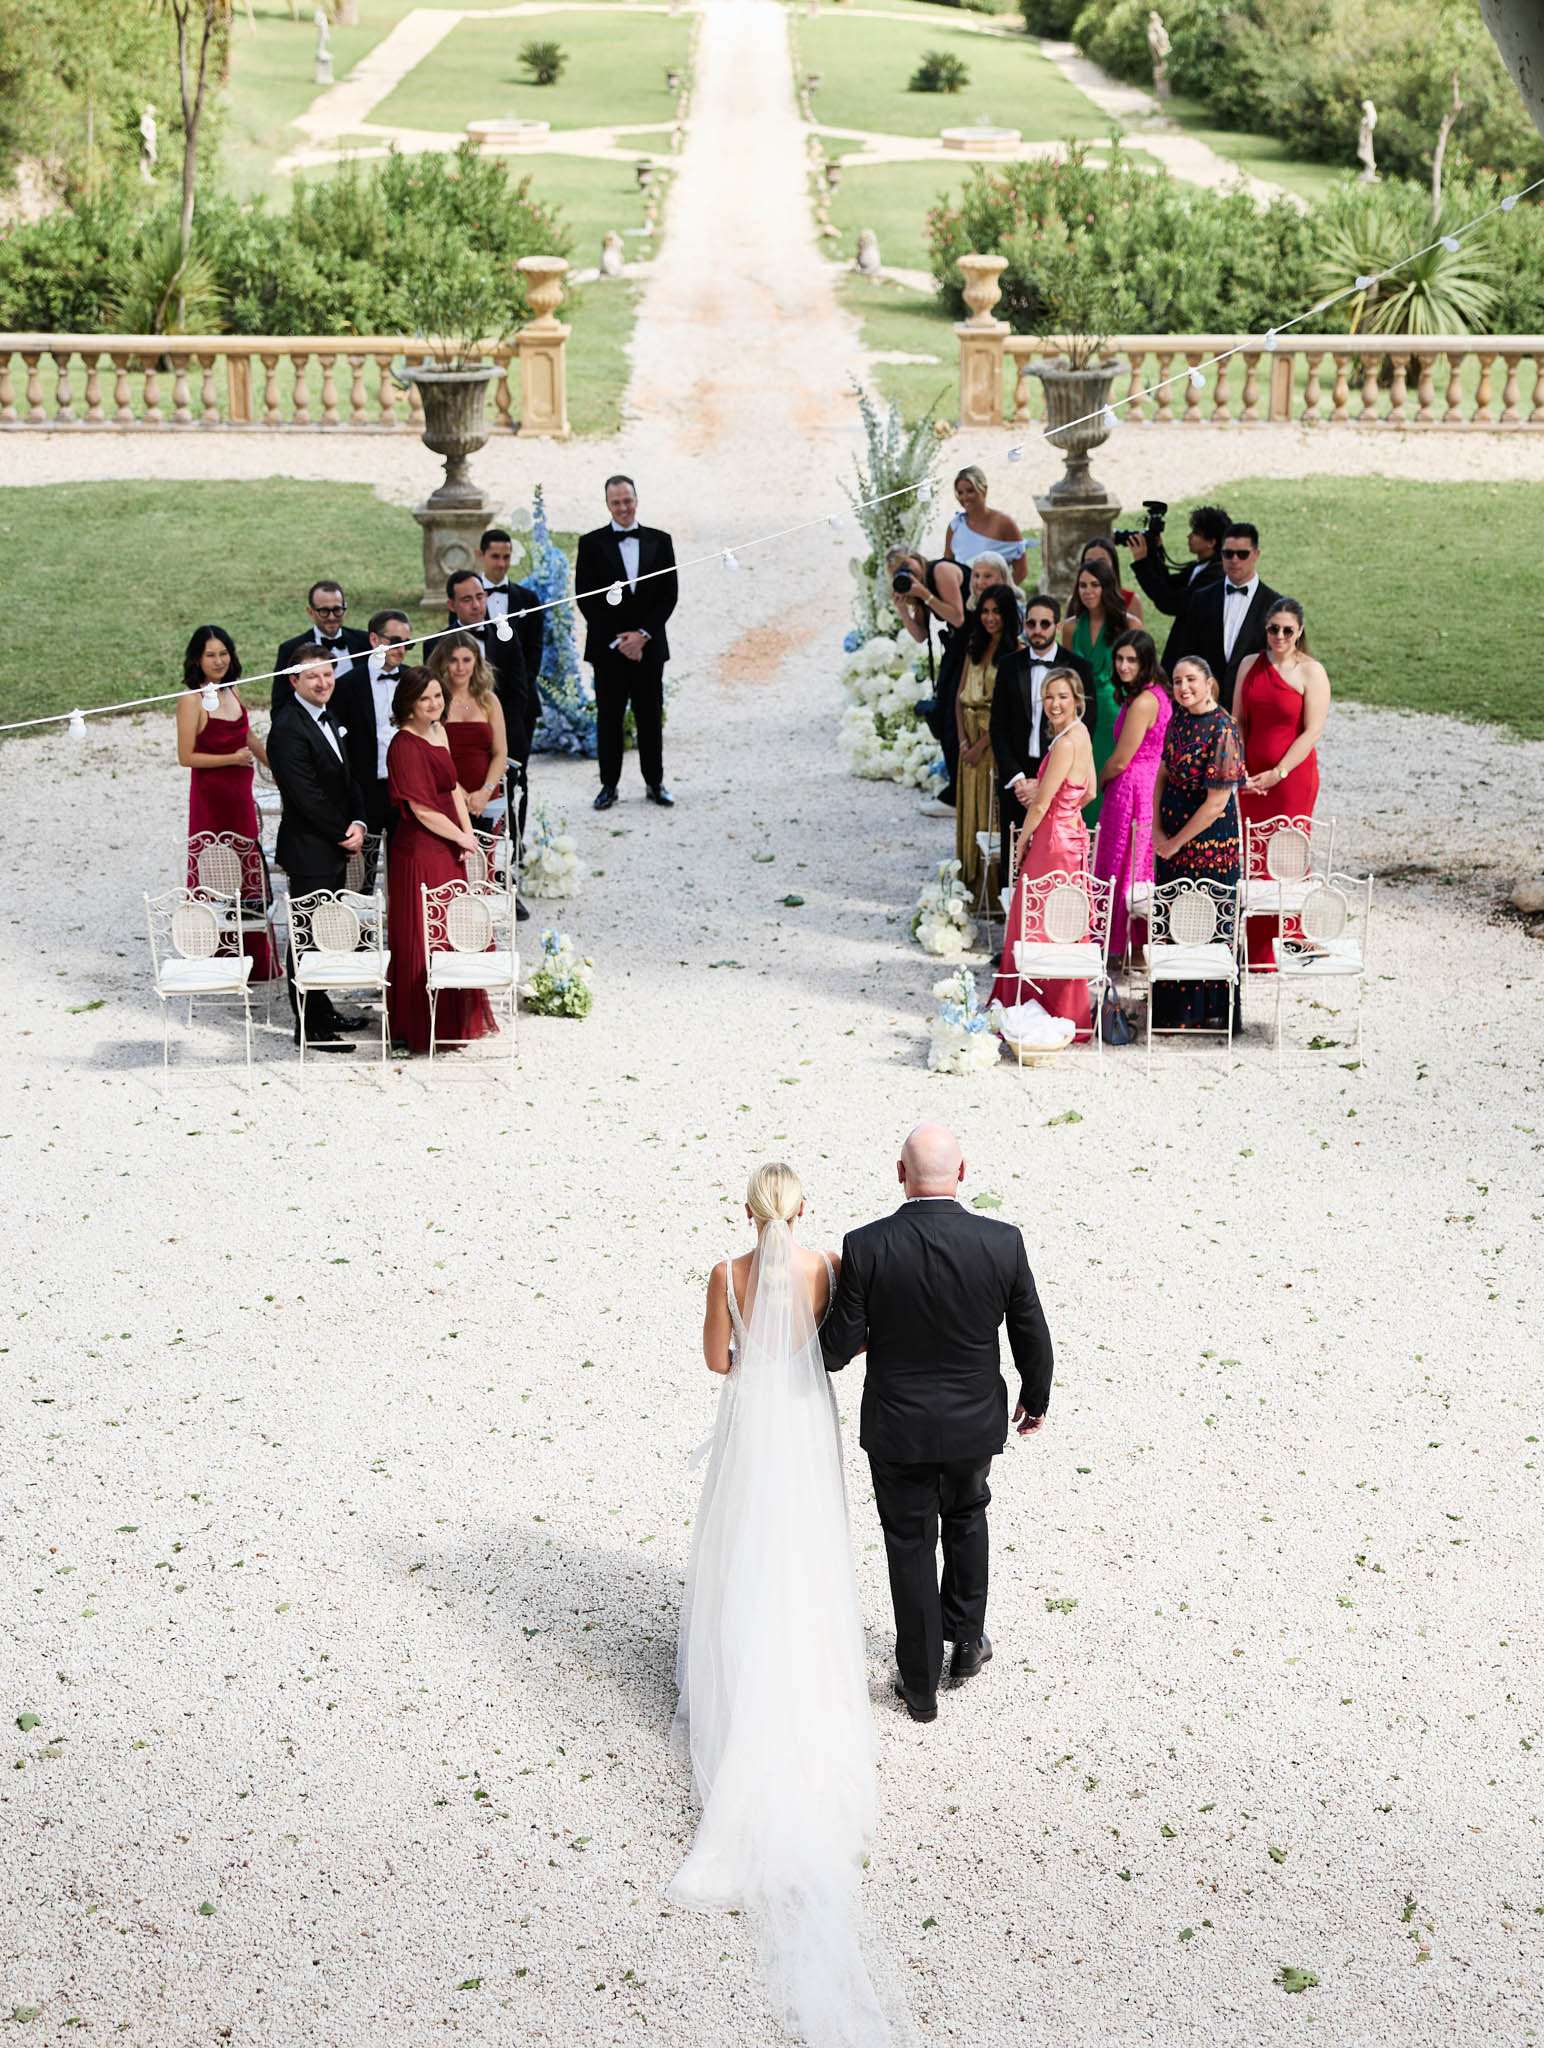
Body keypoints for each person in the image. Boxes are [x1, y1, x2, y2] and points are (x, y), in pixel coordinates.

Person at [672, 1164, 893, 2046]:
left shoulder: (725, 1274)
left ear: (744, 1210)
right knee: (807, 1545)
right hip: (803, 1416)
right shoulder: (827, 1269)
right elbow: (844, 1344)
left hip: (754, 1418)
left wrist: (750, 1347)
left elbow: (717, 1361)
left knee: (745, 1545)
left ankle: (739, 1673)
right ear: (802, 1211)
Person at [822, 1124, 1054, 1723]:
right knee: (968, 1515)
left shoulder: (866, 1245)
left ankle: (920, 1683)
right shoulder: (1001, 1242)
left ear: (900, 1174)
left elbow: (838, 1346)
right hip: (974, 1420)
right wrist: (1035, 1397)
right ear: (963, 1172)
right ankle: (967, 1642)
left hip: (898, 1426)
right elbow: (1030, 1328)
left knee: (909, 1542)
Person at [384, 666, 497, 1057]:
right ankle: (418, 1026)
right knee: (421, 932)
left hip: (448, 845)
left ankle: (454, 1022)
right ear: (409, 704)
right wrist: (458, 836)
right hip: (419, 850)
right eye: (425, 698)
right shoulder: (402, 744)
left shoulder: (440, 731)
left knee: (452, 928)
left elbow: (451, 792)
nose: (434, 703)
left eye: (437, 696)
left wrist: (468, 835)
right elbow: (420, 809)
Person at [266, 655, 369, 1053]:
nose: (323, 682)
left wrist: (358, 820)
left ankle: (322, 1010)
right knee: (306, 937)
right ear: (294, 681)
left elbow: (348, 777)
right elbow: (304, 794)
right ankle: (308, 1026)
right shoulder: (287, 728)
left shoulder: (328, 714)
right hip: (309, 849)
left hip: (333, 843)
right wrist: (342, 834)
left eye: (328, 674)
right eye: (313, 677)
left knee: (323, 933)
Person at [989, 669, 1096, 1037]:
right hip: (1072, 837)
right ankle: (1067, 1011)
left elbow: (1039, 803)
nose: (1054, 704)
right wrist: (1069, 813)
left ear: (1077, 699)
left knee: (1032, 920)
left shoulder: (1065, 744)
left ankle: (1028, 1006)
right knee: (1064, 923)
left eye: (1062, 696)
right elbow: (1090, 792)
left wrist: (1022, 842)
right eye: (1049, 697)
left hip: (1051, 842)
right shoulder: (1081, 734)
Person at [1150, 655, 1246, 1030]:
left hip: (1210, 843)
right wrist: (1157, 829)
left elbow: (1216, 803)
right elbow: (1162, 773)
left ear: (1208, 683)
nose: (1183, 687)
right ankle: (1174, 1011)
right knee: (1174, 918)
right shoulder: (1179, 719)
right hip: (1170, 836)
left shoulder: (1223, 729)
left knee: (1207, 919)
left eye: (1191, 679)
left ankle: (1210, 1011)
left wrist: (1176, 842)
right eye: (1177, 681)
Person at [574, 475, 679, 811]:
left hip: (649, 647)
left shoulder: (660, 541)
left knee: (650, 717)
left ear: (636, 499)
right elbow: (586, 598)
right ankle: (609, 785)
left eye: (627, 500)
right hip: (609, 649)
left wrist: (643, 635)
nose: (623, 508)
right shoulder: (591, 544)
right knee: (609, 719)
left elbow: (669, 595)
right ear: (607, 504)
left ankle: (655, 781)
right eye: (616, 502)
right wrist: (618, 640)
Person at [1236, 597, 1330, 968]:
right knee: (1254, 853)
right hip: (1252, 776)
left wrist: (1280, 772)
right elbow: (1239, 720)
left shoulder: (1311, 671)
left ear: (1300, 631)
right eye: (1273, 629)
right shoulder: (1249, 665)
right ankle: (1257, 949)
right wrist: (1240, 768)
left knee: (1286, 853)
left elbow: (1313, 730)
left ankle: (1290, 939)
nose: (1279, 636)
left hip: (1292, 778)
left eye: (1287, 630)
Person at [177, 625, 275, 982]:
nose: (219, 661)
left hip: (240, 799)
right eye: (210, 655)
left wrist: (275, 765)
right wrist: (231, 759)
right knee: (215, 870)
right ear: (197, 659)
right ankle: (214, 956)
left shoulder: (232, 690)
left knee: (247, 871)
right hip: (212, 800)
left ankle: (255, 960)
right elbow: (186, 757)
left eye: (223, 653)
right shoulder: (191, 700)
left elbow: (246, 735)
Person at [989, 593, 1094, 895]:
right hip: (1018, 779)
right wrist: (1018, 779)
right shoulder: (1009, 665)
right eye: (1031, 623)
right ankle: (1010, 915)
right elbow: (997, 727)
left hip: (1058, 777)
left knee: (1044, 875)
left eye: (1044, 624)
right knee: (1013, 861)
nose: (1037, 630)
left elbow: (1088, 721)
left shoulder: (1079, 667)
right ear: (1024, 625)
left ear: (1057, 626)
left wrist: (1047, 786)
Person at [1093, 629, 1172, 966]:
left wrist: (1099, 779)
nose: (1123, 666)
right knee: (1137, 860)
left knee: (1121, 859)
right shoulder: (1156, 694)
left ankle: (1118, 943)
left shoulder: (1143, 702)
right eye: (1119, 659)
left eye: (1131, 660)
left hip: (1132, 785)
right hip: (1149, 781)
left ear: (1145, 662)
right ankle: (1135, 945)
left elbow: (1121, 759)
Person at [445, 569, 540, 839]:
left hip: (506, 730)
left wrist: (496, 734)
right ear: (451, 605)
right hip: (459, 743)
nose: (476, 605)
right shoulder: (439, 643)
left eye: (480, 596)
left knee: (514, 793)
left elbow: (519, 689)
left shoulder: (505, 635)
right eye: (467, 600)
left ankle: (516, 848)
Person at [1059, 555, 1140, 827]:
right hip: (1081, 715)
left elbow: (1141, 675)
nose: (1088, 591)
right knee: (1079, 781)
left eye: (1095, 585)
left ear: (1106, 587)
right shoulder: (1070, 627)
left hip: (1115, 713)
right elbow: (1066, 675)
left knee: (1112, 783)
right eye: (1083, 585)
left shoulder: (1129, 625)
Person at [886, 544, 966, 819]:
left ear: (916, 557)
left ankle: (957, 796)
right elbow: (920, 636)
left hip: (972, 644)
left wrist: (925, 594)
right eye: (898, 572)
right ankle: (955, 789)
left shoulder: (940, 571)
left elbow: (958, 617)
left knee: (952, 716)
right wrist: (903, 609)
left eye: (907, 565)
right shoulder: (919, 588)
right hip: (957, 646)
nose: (907, 573)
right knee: (943, 714)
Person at [335, 608, 413, 887]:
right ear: (373, 640)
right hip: (365, 789)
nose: (401, 650)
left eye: (407, 644)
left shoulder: (413, 681)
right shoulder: (346, 686)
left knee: (405, 871)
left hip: (405, 790)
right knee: (360, 876)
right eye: (395, 642)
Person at [1168, 522, 1280, 712]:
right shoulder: (1201, 598)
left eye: (1242, 554)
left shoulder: (1275, 605)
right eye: (1228, 553)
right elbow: (1186, 652)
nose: (1234, 560)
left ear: (1256, 554)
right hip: (1204, 709)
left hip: (1255, 710)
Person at [955, 586, 1017, 902]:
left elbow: (1008, 711)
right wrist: (962, 742)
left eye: (996, 612)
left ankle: (991, 892)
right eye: (985, 611)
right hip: (967, 734)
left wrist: (980, 746)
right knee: (969, 805)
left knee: (989, 805)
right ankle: (968, 883)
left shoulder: (1015, 651)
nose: (990, 618)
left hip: (992, 739)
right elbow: (959, 697)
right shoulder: (974, 646)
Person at [1126, 502, 1230, 673]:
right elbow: (1167, 583)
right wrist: (1155, 551)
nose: (1189, 536)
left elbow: (1170, 602)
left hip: (1196, 659)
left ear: (1211, 542)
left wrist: (1141, 562)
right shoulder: (1201, 567)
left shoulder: (1214, 575)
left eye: (1195, 533)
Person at [427, 632, 510, 833]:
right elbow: (431, 758)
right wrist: (461, 795)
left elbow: (500, 752)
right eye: (453, 660)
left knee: (484, 850)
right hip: (445, 793)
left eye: (466, 660)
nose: (460, 667)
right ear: (443, 662)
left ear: (476, 662)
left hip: (485, 797)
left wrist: (485, 793)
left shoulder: (489, 701)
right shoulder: (434, 702)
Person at [273, 580, 371, 712]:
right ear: (310, 612)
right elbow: (280, 704)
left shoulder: (365, 641)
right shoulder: (290, 649)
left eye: (337, 610)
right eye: (324, 611)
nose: (331, 617)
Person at [476, 526, 544, 689]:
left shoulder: (528, 599)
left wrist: (523, 683)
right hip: (481, 689)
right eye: (495, 557)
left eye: (506, 557)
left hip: (522, 690)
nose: (501, 564)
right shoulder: (466, 600)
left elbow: (535, 648)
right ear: (481, 555)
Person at [942, 466, 1028, 587]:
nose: (964, 497)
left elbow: (1021, 571)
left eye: (970, 491)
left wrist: (1001, 593)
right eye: (960, 493)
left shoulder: (1004, 523)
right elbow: (947, 567)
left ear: (984, 490)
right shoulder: (955, 527)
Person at [1077, 536, 1144, 626]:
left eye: (1102, 562)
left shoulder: (1131, 601)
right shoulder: (1075, 601)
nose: (1095, 568)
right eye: (1089, 562)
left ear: (1113, 565)